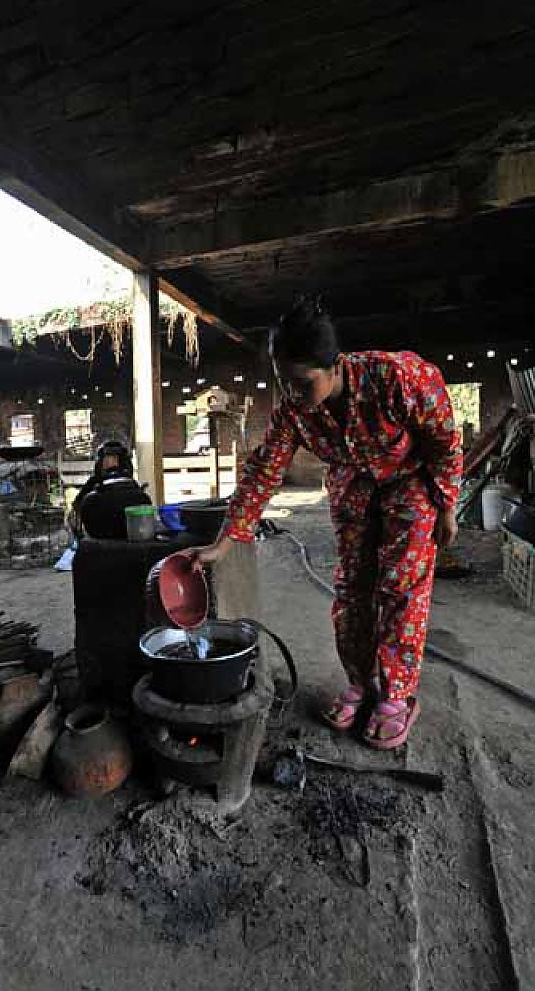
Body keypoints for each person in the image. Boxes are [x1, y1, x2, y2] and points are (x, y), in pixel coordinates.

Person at [192, 295, 462, 750]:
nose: (294, 395)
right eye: (285, 383)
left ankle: (396, 695)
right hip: (353, 483)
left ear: (335, 366)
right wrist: (227, 539)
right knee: (353, 586)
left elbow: (442, 436)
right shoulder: (295, 410)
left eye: (303, 383)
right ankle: (361, 682)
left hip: (410, 479)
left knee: (400, 585)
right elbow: (264, 469)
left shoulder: (397, 376)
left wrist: (447, 503)